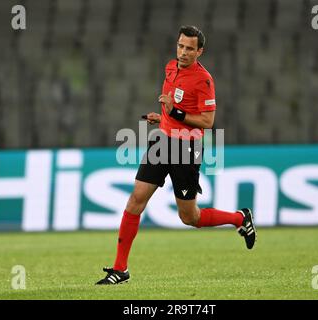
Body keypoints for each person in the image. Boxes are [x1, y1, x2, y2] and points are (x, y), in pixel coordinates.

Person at [96, 26, 256, 285]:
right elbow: (173, 109)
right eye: (181, 46)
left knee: (189, 217)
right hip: (162, 142)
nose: (183, 52)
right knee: (135, 200)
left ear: (199, 51)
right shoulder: (170, 68)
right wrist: (163, 117)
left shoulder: (204, 80)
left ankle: (239, 218)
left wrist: (177, 114)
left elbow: (207, 121)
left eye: (189, 48)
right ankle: (120, 269)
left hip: (187, 149)